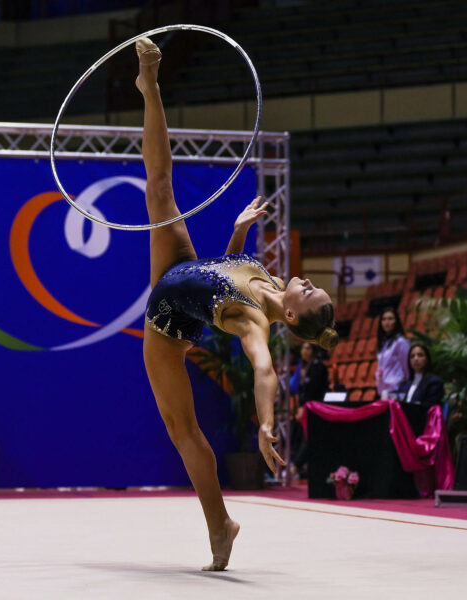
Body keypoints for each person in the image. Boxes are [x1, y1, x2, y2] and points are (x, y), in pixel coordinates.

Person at [135, 37, 337, 571]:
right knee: (158, 187)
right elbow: (218, 281)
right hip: (177, 268)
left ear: (291, 316)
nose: (309, 281)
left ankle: (219, 525)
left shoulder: (254, 322)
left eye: (310, 292)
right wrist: (236, 234)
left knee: (185, 432)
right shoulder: (266, 277)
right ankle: (149, 85)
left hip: (167, 322)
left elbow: (264, 369)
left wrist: (267, 423)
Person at [289, 341, 329, 478]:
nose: (304, 351)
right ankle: (295, 465)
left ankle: (296, 466)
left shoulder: (319, 367)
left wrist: (304, 408)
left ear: (313, 350)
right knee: (295, 433)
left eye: (307, 348)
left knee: (308, 437)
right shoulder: (302, 367)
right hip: (303, 408)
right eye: (303, 348)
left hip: (315, 409)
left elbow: (314, 391)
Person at [375, 307, 410, 399]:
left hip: (397, 389)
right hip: (383, 390)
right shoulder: (384, 343)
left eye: (390, 319)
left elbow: (407, 367)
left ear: (396, 321)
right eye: (384, 319)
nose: (387, 322)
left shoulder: (401, 342)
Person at [395, 343, 444, 407]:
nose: (416, 359)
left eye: (420, 355)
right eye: (412, 356)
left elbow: (428, 408)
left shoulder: (434, 382)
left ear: (426, 359)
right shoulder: (404, 384)